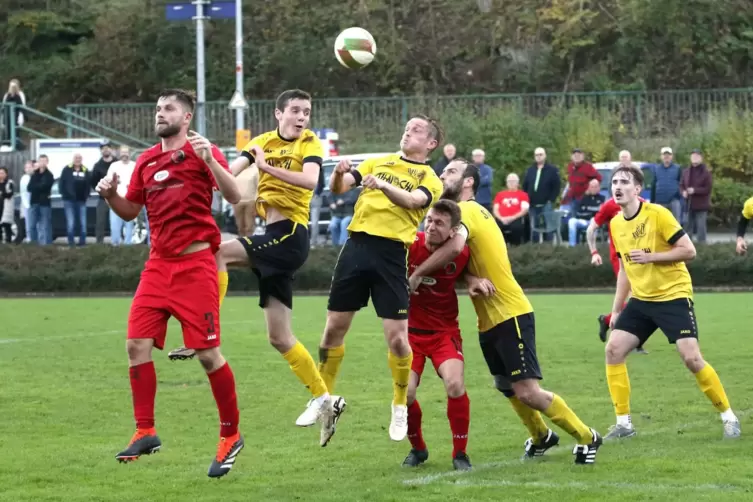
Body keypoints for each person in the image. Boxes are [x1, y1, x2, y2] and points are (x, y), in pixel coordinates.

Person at [169, 89, 337, 441]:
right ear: (279, 114)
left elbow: (311, 180)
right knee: (279, 337)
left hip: (290, 235)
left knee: (218, 251)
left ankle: (205, 330)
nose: (301, 116)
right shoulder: (261, 140)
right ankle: (325, 399)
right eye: (295, 110)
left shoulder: (309, 144)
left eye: (306, 111)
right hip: (273, 235)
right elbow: (229, 174)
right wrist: (207, 161)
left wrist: (265, 166)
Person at [410, 160, 603, 465]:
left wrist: (417, 273)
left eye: (450, 172)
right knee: (504, 385)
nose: (442, 176)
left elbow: (453, 249)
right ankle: (541, 437)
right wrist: (470, 278)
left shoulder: (469, 211)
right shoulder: (468, 213)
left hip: (510, 313)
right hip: (489, 320)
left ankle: (588, 436)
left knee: (527, 391)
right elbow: (456, 263)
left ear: (469, 182)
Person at [95, 89, 244, 478]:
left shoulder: (202, 150)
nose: (161, 114)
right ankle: (146, 430)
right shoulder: (145, 160)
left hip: (196, 266)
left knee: (208, 354)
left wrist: (211, 161)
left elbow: (235, 194)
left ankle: (231, 435)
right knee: (135, 345)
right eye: (158, 109)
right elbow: (130, 212)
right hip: (158, 267)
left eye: (169, 109)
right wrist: (111, 197)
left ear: (187, 116)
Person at [313, 114, 444, 447]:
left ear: (431, 143)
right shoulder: (377, 160)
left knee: (398, 341)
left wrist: (383, 185)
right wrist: (339, 173)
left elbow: (415, 201)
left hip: (390, 255)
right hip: (356, 246)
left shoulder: (430, 176)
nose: (407, 132)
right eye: (407, 127)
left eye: (416, 130)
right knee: (331, 330)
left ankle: (399, 402)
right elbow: (339, 189)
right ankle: (324, 400)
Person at [603, 164, 740, 440]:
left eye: (624, 182)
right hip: (641, 300)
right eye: (615, 181)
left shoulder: (658, 214)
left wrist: (651, 256)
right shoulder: (616, 223)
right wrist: (616, 309)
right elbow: (626, 271)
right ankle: (624, 425)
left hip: (673, 296)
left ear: (637, 189)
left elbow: (690, 250)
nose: (618, 186)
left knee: (691, 358)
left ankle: (729, 417)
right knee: (613, 351)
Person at [402, 200, 474, 471]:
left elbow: (470, 272)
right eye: (429, 220)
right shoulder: (409, 245)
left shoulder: (462, 253)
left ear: (454, 231)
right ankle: (418, 449)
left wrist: (475, 280)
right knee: (406, 394)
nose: (431, 226)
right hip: (409, 334)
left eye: (439, 223)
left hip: (444, 332)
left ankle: (460, 454)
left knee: (455, 385)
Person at [587, 195, 648, 354]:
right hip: (620, 259)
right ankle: (636, 340)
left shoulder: (643, 204)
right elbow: (591, 228)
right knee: (637, 298)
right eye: (617, 182)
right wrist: (594, 252)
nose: (620, 186)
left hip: (641, 256)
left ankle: (607, 320)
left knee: (642, 298)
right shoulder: (610, 206)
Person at [522, 147, 560, 242]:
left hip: (546, 203)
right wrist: (526, 199)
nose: (538, 157)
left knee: (548, 227)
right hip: (532, 203)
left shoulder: (552, 170)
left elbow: (557, 186)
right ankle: (535, 248)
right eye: (536, 155)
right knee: (534, 227)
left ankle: (548, 248)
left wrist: (551, 199)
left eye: (540, 154)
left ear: (545, 156)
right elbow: (525, 185)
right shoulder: (530, 170)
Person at [59, 153, 91, 247]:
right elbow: (61, 184)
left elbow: (88, 185)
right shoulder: (67, 169)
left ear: (82, 160)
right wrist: (64, 195)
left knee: (83, 223)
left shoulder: (85, 170)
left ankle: (82, 243)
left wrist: (86, 196)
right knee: (71, 223)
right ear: (73, 159)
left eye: (79, 158)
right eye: (76, 158)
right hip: (69, 201)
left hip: (81, 201)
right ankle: (71, 243)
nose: (78, 160)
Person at [680, 149, 712, 243]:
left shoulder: (706, 172)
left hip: (701, 205)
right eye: (693, 156)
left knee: (701, 227)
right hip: (689, 204)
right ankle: (687, 247)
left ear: (701, 158)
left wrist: (695, 190)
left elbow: (708, 188)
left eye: (697, 156)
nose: (695, 158)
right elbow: (681, 185)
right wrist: (683, 192)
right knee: (688, 227)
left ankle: (701, 246)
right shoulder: (686, 171)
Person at [107, 146, 137, 245]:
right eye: (122, 152)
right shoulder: (114, 166)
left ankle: (128, 248)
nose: (124, 154)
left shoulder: (134, 165)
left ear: (130, 153)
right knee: (115, 227)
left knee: (129, 227)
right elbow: (108, 181)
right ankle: (115, 247)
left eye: (126, 152)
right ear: (119, 154)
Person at [91, 141, 117, 244]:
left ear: (111, 149)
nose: (105, 149)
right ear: (101, 151)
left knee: (118, 222)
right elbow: (93, 182)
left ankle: (118, 244)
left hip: (117, 198)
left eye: (107, 147)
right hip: (103, 199)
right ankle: (99, 244)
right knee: (100, 222)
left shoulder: (117, 163)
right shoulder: (97, 165)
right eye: (103, 148)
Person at [492, 173, 529, 245]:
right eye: (509, 181)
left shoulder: (523, 195)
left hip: (515, 218)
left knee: (516, 228)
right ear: (506, 183)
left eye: (513, 181)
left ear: (518, 183)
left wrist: (512, 217)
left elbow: (524, 210)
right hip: (501, 218)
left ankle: (515, 248)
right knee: (496, 228)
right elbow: (495, 209)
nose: (511, 183)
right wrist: (501, 218)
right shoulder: (500, 194)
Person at [567, 179, 604, 247]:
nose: (594, 189)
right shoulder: (583, 198)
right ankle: (572, 246)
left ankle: (592, 247)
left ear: (599, 188)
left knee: (594, 220)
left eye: (596, 187)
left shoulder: (602, 198)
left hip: (594, 221)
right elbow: (579, 211)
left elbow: (601, 211)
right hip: (583, 220)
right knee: (571, 221)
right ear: (589, 188)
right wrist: (593, 210)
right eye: (592, 187)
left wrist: (588, 209)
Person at [650, 147, 682, 221]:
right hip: (659, 202)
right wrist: (652, 202)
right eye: (664, 155)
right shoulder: (656, 169)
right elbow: (653, 186)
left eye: (668, 155)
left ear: (672, 156)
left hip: (674, 201)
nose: (666, 157)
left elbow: (682, 184)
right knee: (660, 224)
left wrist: (679, 198)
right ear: (661, 156)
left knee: (675, 225)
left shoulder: (678, 168)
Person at [27, 155, 54, 245]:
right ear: (38, 162)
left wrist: (36, 186)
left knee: (45, 226)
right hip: (33, 202)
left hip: (44, 203)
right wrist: (38, 185)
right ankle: (34, 245)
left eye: (44, 161)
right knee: (31, 226)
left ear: (47, 162)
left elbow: (45, 187)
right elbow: (29, 188)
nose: (42, 162)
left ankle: (46, 246)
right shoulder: (35, 174)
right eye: (40, 160)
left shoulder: (49, 175)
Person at [232, 164, 259, 237]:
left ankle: (249, 243)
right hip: (237, 202)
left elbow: (258, 187)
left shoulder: (255, 170)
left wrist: (257, 202)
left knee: (249, 226)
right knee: (240, 226)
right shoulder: (235, 168)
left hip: (251, 202)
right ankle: (241, 242)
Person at [471, 149, 493, 213]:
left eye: (480, 156)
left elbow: (488, 181)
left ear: (483, 157)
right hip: (472, 200)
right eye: (476, 156)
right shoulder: (469, 168)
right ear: (473, 157)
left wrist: (474, 182)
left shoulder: (488, 169)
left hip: (485, 201)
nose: (478, 157)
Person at [20, 160, 33, 242]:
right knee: (29, 222)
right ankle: (29, 238)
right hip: (28, 204)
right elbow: (26, 192)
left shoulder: (31, 177)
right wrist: (27, 205)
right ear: (25, 169)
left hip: (31, 204)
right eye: (27, 167)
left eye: (30, 167)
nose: (28, 169)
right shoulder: (25, 178)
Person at [0, 167, 14, 243]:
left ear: (6, 174)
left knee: (7, 225)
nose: (1, 175)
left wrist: (2, 194)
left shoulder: (9, 183)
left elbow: (10, 194)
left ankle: (8, 242)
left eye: (2, 173)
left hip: (6, 207)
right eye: (0, 173)